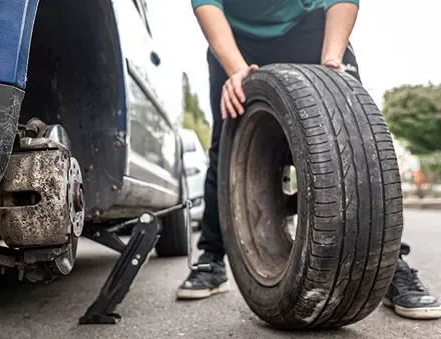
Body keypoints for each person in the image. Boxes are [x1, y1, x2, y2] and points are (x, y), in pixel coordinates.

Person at [176, 0, 441, 320]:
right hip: (238, 35)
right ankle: (212, 258)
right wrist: (236, 71)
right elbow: (207, 4)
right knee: (227, 145)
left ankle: (386, 266)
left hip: (309, 25)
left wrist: (332, 59)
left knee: (355, 138)